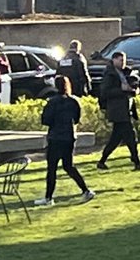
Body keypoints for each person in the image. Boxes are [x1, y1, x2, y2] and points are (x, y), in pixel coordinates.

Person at [36, 76, 95, 206]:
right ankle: (85, 190)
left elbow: (45, 120)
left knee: (52, 169)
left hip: (55, 137)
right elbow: (77, 118)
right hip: (69, 136)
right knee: (69, 166)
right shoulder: (74, 101)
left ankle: (48, 197)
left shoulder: (52, 102)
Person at [97, 51, 140, 171]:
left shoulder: (126, 73)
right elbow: (105, 92)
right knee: (130, 136)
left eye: (123, 60)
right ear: (114, 60)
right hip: (118, 110)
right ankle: (136, 161)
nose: (123, 63)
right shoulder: (110, 74)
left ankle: (102, 161)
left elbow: (131, 87)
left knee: (116, 139)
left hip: (125, 109)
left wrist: (133, 90)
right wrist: (121, 90)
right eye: (120, 60)